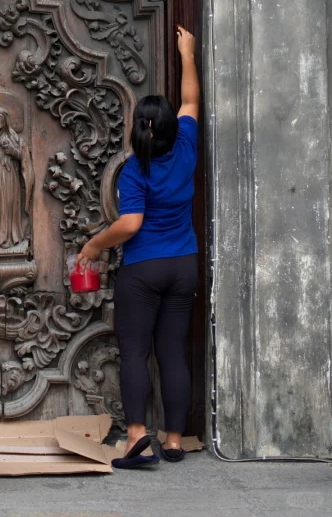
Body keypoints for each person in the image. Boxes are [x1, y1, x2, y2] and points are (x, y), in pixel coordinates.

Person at [75, 26, 201, 468]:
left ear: (139, 131)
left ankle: (135, 437)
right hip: (183, 265)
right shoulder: (186, 147)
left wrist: (93, 246)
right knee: (172, 352)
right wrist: (187, 53)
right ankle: (173, 440)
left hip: (143, 270)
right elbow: (190, 101)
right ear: (168, 129)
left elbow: (130, 224)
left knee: (134, 352)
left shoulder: (134, 171)